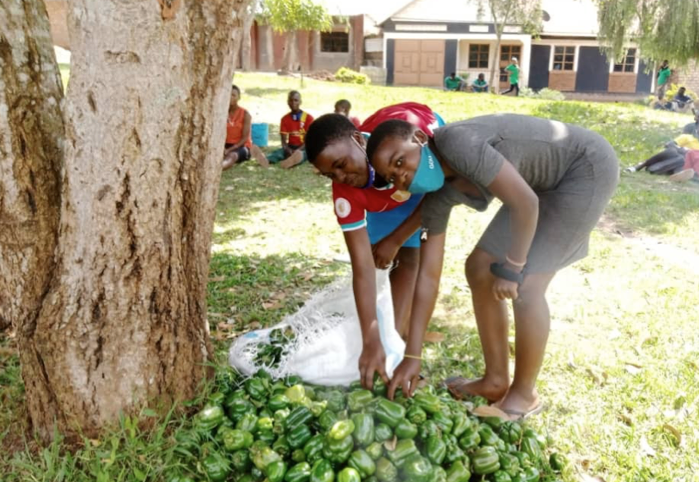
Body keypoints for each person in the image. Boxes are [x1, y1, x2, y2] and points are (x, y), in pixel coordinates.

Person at [365, 115, 619, 417]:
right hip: (536, 189)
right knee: (479, 267)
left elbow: (526, 204)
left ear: (420, 138)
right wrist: (413, 355)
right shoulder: (437, 195)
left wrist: (513, 267)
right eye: (392, 177)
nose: (401, 176)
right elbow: (429, 277)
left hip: (584, 169)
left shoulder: (457, 143)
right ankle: (495, 380)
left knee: (527, 286)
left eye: (399, 162)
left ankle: (524, 395)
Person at [304, 103, 444, 388]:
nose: (340, 178)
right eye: (330, 175)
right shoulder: (347, 192)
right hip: (380, 196)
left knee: (410, 256)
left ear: (358, 139)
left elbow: (439, 195)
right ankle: (392, 338)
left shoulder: (404, 150)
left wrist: (396, 239)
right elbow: (363, 268)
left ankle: (402, 341)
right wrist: (371, 341)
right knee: (381, 259)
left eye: (341, 165)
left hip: (423, 177)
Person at [626, 122, 699, 175]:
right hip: (675, 155)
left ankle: (677, 174)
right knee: (673, 153)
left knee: (683, 161)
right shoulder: (687, 137)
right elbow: (669, 144)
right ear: (696, 130)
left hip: (684, 164)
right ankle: (640, 166)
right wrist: (683, 149)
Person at [263, 90, 314, 169]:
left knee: (305, 154)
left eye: (296, 100)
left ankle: (292, 160)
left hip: (304, 147)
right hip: (291, 146)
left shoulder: (308, 118)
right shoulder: (285, 119)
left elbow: (308, 141)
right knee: (279, 153)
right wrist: (287, 149)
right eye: (291, 100)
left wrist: (298, 150)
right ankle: (266, 160)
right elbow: (283, 141)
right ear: (288, 102)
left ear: (300, 102)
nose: (293, 103)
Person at [223, 85, 269, 170]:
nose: (230, 97)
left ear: (239, 97)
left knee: (232, 156)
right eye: (228, 94)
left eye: (233, 95)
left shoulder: (245, 114)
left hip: (241, 146)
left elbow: (244, 138)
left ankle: (219, 168)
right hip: (225, 145)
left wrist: (229, 150)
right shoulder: (221, 112)